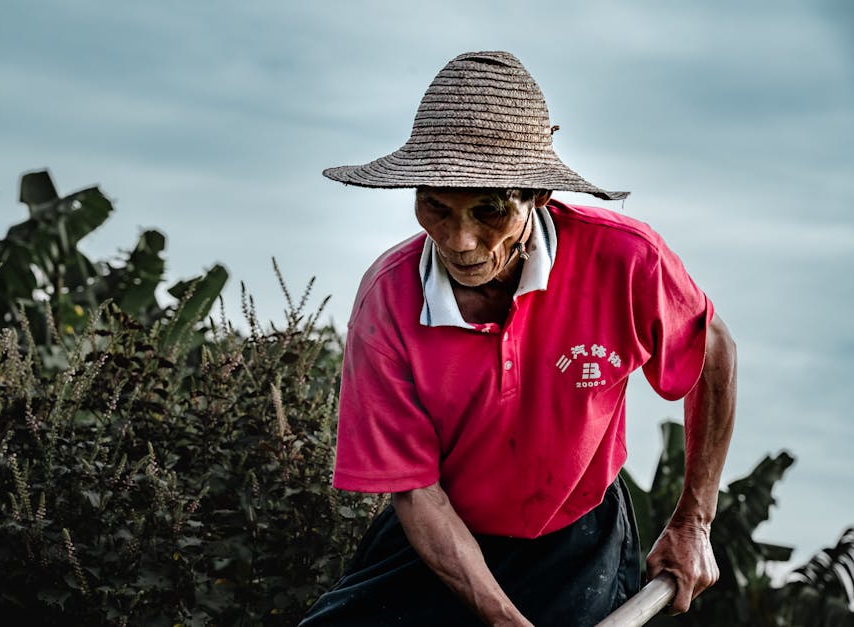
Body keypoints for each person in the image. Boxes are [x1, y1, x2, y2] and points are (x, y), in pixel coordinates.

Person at [300, 50, 736, 626]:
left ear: (539, 198)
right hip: (439, 533)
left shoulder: (625, 261)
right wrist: (505, 621)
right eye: (436, 205)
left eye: (489, 209)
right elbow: (416, 490)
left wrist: (693, 521)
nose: (460, 241)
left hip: (577, 538)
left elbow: (713, 355)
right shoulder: (388, 298)